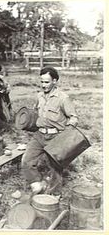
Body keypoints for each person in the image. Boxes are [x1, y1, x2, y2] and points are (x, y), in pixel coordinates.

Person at [21, 66, 78, 194]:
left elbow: (73, 117)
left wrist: (66, 136)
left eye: (46, 82)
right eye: (41, 82)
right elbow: (35, 113)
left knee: (55, 168)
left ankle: (54, 194)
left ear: (55, 81)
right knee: (26, 161)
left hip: (56, 137)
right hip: (39, 135)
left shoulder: (63, 98)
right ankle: (38, 183)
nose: (43, 85)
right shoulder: (40, 96)